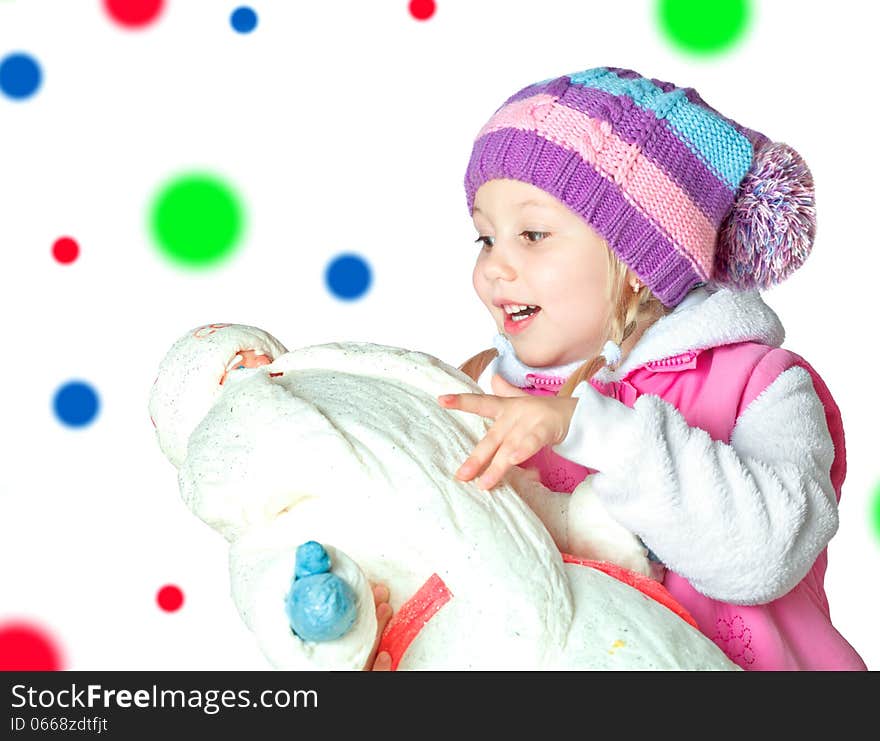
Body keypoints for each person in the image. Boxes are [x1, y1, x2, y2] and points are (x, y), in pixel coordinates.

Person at [433, 65, 866, 671]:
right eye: (484, 238)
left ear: (638, 256)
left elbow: (768, 551)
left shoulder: (762, 388)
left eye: (531, 234)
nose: (494, 268)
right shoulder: (486, 389)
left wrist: (589, 430)